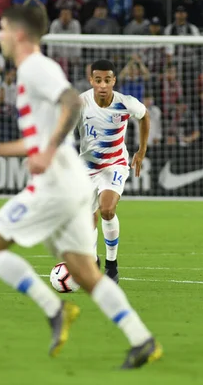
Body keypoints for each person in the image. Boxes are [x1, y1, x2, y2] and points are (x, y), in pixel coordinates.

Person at [0, 6, 161, 369]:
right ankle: (142, 339)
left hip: (56, 182)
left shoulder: (36, 67)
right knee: (85, 272)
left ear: (19, 34)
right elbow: (38, 140)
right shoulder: (32, 71)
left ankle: (56, 311)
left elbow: (70, 102)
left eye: (3, 29)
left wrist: (48, 149)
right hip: (74, 180)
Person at [78, 59, 151, 283]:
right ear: (91, 80)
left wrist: (141, 150)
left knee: (107, 209)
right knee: (87, 219)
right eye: (97, 80)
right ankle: (93, 260)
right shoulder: (80, 103)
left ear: (113, 81)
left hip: (115, 164)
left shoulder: (126, 103)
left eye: (107, 80)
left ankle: (112, 266)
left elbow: (145, 116)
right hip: (87, 167)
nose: (102, 85)